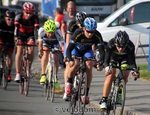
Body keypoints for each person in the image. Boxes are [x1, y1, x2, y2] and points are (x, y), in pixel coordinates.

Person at [66, 17, 105, 104]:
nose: (90, 34)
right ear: (84, 28)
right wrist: (70, 59)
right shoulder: (78, 33)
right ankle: (69, 82)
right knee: (75, 64)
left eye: (92, 32)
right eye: (88, 31)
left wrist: (101, 63)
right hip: (76, 50)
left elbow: (102, 51)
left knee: (89, 65)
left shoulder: (97, 35)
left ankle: (86, 94)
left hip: (87, 51)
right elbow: (69, 49)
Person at [99, 30, 140, 110]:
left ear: (126, 44)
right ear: (115, 43)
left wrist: (134, 71)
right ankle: (104, 100)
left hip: (125, 58)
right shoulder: (111, 44)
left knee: (125, 74)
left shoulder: (130, 46)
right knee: (110, 76)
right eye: (118, 46)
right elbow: (106, 60)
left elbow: (132, 62)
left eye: (123, 47)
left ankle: (120, 91)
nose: (120, 49)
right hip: (113, 58)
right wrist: (107, 68)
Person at [63, 12, 87, 100]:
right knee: (72, 64)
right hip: (72, 44)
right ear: (77, 23)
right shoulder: (72, 25)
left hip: (83, 44)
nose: (82, 27)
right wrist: (67, 55)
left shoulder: (86, 25)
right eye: (80, 25)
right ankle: (67, 88)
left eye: (83, 24)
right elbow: (68, 41)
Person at [14, 2, 39, 82]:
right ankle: (18, 73)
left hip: (30, 35)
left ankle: (29, 68)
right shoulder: (18, 16)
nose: (29, 15)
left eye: (31, 13)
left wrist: (37, 39)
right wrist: (16, 37)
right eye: (27, 13)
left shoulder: (35, 18)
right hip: (21, 34)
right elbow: (16, 29)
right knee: (20, 50)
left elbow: (35, 30)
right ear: (23, 11)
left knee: (31, 49)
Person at [38, 19, 63, 84]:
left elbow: (62, 44)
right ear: (45, 30)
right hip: (45, 42)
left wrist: (64, 52)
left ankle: (55, 76)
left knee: (56, 58)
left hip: (55, 43)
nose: (50, 34)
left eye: (52, 32)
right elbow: (40, 44)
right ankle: (43, 75)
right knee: (45, 53)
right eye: (48, 32)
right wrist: (40, 51)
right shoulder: (41, 31)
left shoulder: (58, 32)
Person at [0, 10, 15, 82]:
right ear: (5, 18)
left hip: (10, 39)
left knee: (9, 55)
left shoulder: (15, 26)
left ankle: (8, 73)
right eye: (8, 19)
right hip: (1, 37)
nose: (10, 21)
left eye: (12, 19)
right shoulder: (1, 23)